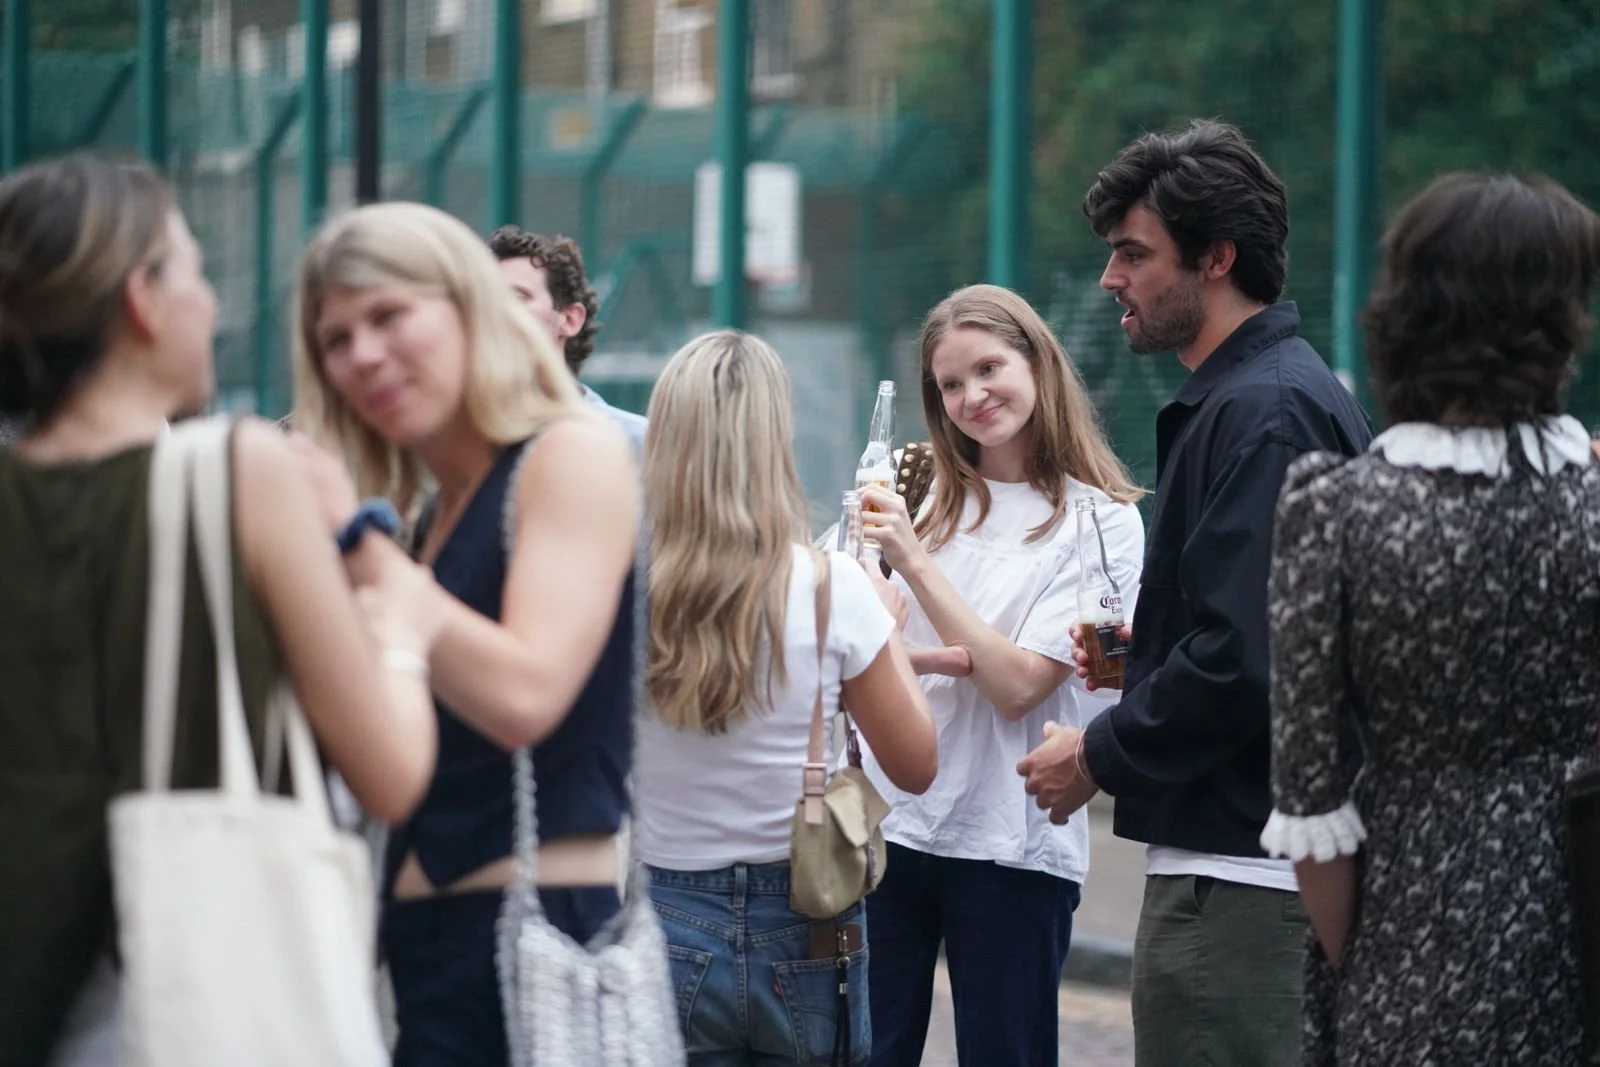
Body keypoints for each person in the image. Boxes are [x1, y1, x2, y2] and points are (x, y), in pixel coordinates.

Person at [0, 154, 440, 1064]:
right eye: (196, 270)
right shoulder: (239, 473)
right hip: (203, 998)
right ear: (142, 300)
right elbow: (391, 772)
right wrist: (397, 634)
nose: (213, 303)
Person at [1016, 119, 1373, 1066]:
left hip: (1243, 887)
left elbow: (1242, 660)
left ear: (1216, 258)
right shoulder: (1263, 398)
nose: (1110, 279)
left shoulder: (1265, 412)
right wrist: (1137, 653)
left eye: (1134, 254)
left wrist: (1099, 750)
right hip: (1249, 874)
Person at [288, 201, 639, 1067]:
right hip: (428, 949)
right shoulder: (435, 511)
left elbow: (525, 695)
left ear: (466, 309)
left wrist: (355, 542)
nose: (363, 354)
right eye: (336, 339)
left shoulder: (568, 454)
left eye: (388, 316)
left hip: (531, 944)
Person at [1264, 173, 1600, 1065]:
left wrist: (1368, 965)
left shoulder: (1333, 510)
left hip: (1400, 934)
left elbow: (1309, 795)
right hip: (1578, 935)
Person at [857, 284, 1145, 1067]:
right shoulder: (913, 486)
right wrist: (930, 656)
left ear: (1038, 363)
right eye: (951, 384)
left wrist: (913, 569)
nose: (973, 396)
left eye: (990, 368)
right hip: (887, 825)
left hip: (1012, 841)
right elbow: (837, 630)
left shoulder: (1103, 519)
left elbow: (1021, 683)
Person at [630, 329, 936, 1065]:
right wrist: (888, 631)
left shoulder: (616, 587)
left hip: (661, 912)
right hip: (805, 917)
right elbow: (916, 762)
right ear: (775, 438)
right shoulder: (835, 587)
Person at [488, 225, 647, 450]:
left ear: (570, 319)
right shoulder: (449, 443)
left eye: (517, 297)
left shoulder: (637, 445)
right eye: (486, 298)